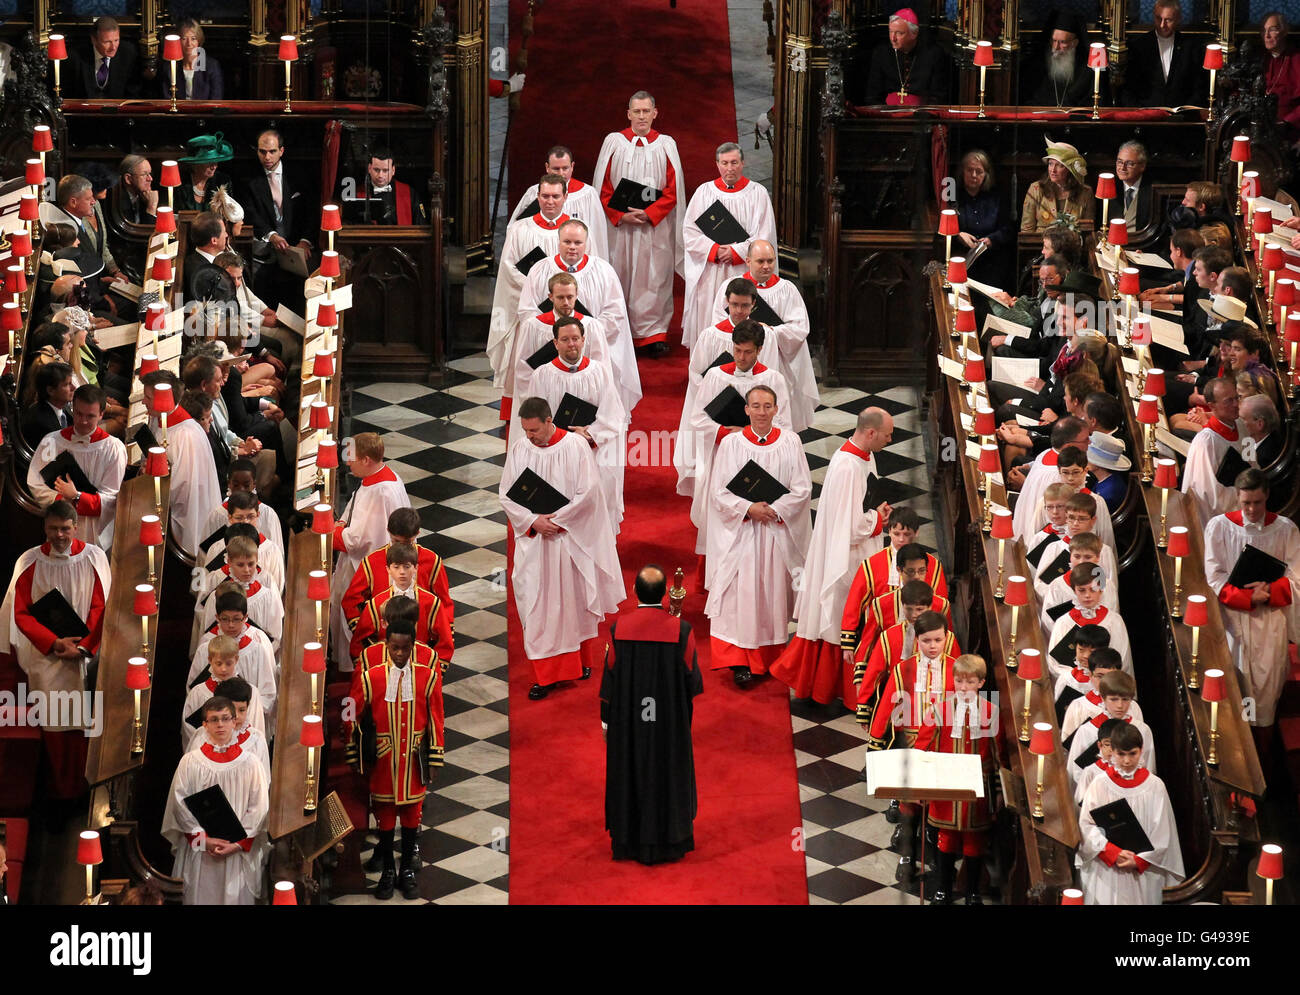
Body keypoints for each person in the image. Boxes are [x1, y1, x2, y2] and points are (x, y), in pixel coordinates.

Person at [501, 397, 624, 699]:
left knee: (572, 602)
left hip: (569, 539)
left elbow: (589, 492)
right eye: (525, 430)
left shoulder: (576, 446)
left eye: (533, 430)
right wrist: (533, 521)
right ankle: (546, 675)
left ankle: (580, 661)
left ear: (548, 421)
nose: (529, 436)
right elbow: (506, 494)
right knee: (539, 607)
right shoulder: (519, 448)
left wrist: (557, 520)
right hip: (536, 542)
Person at [770, 407, 893, 706]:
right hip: (845, 556)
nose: (890, 440)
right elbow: (850, 528)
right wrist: (877, 519)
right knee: (843, 615)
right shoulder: (847, 467)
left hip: (858, 548)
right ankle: (841, 689)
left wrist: (876, 511)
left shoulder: (865, 456)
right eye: (887, 435)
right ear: (871, 432)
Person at [0, 502, 109, 804]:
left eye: (64, 528)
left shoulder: (94, 557)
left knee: (87, 721)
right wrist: (54, 643)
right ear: (44, 528)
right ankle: (61, 792)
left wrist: (83, 646)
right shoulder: (29, 562)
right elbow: (21, 614)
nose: (59, 535)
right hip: (46, 655)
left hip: (86, 655)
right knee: (54, 724)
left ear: (75, 527)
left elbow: (101, 606)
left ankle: (86, 786)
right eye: (53, 529)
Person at [704, 385, 812, 686]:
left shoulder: (790, 442)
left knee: (770, 596)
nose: (762, 412)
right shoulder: (731, 444)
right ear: (746, 410)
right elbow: (718, 491)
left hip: (775, 532)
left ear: (776, 409)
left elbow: (803, 488)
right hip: (743, 533)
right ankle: (740, 660)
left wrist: (775, 509)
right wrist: (748, 508)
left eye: (767, 406)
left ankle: (770, 657)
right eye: (756, 406)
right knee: (740, 596)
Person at [601, 566, 703, 864]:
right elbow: (692, 682)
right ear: (664, 594)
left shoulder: (618, 630)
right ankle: (671, 840)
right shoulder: (682, 631)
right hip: (668, 725)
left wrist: (606, 722)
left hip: (629, 725)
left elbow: (609, 681)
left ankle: (628, 841)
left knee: (629, 772)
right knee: (667, 774)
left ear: (634, 591)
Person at [344, 618, 444, 900]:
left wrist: (435, 756)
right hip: (383, 761)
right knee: (385, 818)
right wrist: (355, 749)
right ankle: (388, 870)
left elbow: (436, 719)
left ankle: (407, 871)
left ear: (413, 647)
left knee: (412, 816)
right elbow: (350, 711)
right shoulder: (371, 677)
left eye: (405, 648)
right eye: (394, 648)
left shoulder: (427, 676)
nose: (399, 654)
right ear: (386, 645)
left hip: (414, 759)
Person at [1203, 469, 1300, 745]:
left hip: (1270, 624)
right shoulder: (1219, 527)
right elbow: (1214, 578)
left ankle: (1264, 753)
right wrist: (1246, 597)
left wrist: (1268, 593)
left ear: (1267, 496)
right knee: (1237, 691)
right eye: (1246, 503)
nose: (1252, 509)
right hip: (1232, 622)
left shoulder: (1286, 530)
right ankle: (1241, 750)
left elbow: (1297, 579)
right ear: (1237, 497)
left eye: (1257, 502)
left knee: (1265, 696)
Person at [686, 322, 793, 552]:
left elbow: (784, 424)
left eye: (748, 352)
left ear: (760, 349)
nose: (741, 357)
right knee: (723, 512)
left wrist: (747, 434)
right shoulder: (715, 376)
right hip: (724, 454)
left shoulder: (773, 379)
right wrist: (725, 433)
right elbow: (697, 418)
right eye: (737, 350)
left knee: (757, 517)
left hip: (762, 458)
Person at [593, 91, 686, 357]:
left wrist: (650, 213)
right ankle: (618, 332)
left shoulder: (666, 145)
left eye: (646, 111)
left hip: (654, 229)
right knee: (619, 274)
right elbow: (602, 185)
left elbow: (673, 189)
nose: (642, 116)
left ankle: (653, 335)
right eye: (637, 111)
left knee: (653, 279)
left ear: (655, 113)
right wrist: (620, 215)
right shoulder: (613, 142)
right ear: (629, 114)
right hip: (620, 229)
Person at [866, 610, 958, 878]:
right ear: (917, 640)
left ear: (947, 638)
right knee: (910, 804)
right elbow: (887, 706)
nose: (933, 646)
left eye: (938, 640)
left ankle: (935, 849)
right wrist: (875, 743)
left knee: (938, 803)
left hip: (943, 747)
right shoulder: (903, 669)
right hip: (910, 746)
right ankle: (907, 856)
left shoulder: (957, 668)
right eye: (927, 640)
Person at [515, 220, 639, 414]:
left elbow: (615, 313)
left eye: (578, 242)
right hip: (549, 347)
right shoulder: (540, 269)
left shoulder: (603, 271)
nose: (572, 247)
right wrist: (556, 336)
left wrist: (584, 334)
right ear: (558, 242)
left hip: (590, 346)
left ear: (586, 243)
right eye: (567, 242)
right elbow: (527, 310)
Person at [161, 696, 270, 905]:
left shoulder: (251, 763)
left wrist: (237, 844)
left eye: (225, 718)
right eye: (214, 719)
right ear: (205, 725)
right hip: (201, 851)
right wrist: (203, 840)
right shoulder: (190, 762)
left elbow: (259, 807)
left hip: (236, 853)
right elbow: (179, 803)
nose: (220, 724)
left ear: (234, 722)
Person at [914, 653, 999, 904]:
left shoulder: (991, 712)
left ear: (981, 683)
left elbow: (998, 756)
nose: (963, 688)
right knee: (946, 839)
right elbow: (922, 750)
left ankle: (972, 892)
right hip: (945, 787)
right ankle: (943, 889)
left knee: (974, 842)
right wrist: (921, 786)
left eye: (970, 682)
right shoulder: (939, 711)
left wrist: (998, 793)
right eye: (959, 681)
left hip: (977, 790)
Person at [529, 316, 627, 532]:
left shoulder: (599, 371)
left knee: (596, 513)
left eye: (575, 338)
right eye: (565, 339)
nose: (571, 344)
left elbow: (613, 414)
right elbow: (534, 420)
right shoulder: (541, 375)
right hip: (557, 454)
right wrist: (566, 437)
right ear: (555, 343)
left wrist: (591, 434)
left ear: (583, 340)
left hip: (593, 452)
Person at [709, 240, 818, 433]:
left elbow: (800, 327)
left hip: (778, 362)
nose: (766, 266)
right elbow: (719, 322)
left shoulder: (787, 289)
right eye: (760, 261)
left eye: (770, 261)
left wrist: (772, 331)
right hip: (740, 359)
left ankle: (776, 438)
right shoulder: (732, 287)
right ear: (748, 261)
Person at [681, 142, 777, 347]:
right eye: (724, 163)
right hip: (712, 270)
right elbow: (689, 232)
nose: (729, 168)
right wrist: (715, 250)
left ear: (743, 163)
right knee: (710, 320)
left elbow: (764, 234)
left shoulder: (757, 193)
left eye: (734, 162)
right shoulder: (704, 192)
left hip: (742, 268)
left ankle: (745, 356)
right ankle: (709, 359)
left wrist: (736, 251)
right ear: (717, 164)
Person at [329, 432, 410, 669]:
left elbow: (357, 540)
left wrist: (332, 531)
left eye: (352, 457)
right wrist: (341, 524)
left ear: (366, 460)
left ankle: (353, 668)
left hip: (368, 568)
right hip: (375, 560)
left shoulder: (380, 491)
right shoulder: (382, 477)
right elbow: (353, 512)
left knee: (352, 614)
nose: (347, 462)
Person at [1077, 723, 1182, 904]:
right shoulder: (1100, 784)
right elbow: (1086, 826)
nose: (1126, 761)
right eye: (1121, 754)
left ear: (1141, 750)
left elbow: (1164, 832)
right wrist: (1111, 852)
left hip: (1143, 870)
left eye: (1132, 753)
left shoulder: (1155, 786)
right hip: (1107, 868)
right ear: (1112, 752)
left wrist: (1140, 860)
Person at [487, 173, 572, 386]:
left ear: (565, 197)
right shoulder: (519, 228)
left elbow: (584, 267)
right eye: (545, 196)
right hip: (529, 307)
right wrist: (538, 290)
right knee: (526, 367)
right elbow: (508, 268)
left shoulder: (574, 229)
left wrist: (559, 294)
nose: (550, 201)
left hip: (565, 309)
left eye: (555, 196)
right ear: (537, 197)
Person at [26, 384, 126, 549]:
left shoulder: (113, 448)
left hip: (95, 530)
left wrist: (76, 497)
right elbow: (35, 482)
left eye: (90, 416)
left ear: (101, 414)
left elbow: (111, 498)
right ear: (72, 408)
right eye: (79, 414)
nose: (83, 421)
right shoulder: (52, 441)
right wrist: (61, 500)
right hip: (60, 525)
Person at [510, 274, 609, 422]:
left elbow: (602, 366)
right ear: (550, 297)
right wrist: (536, 404)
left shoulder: (592, 326)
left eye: (570, 297)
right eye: (560, 297)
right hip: (547, 394)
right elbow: (523, 368)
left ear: (577, 296)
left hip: (585, 396)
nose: (566, 302)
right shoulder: (533, 326)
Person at [143, 374, 222, 558]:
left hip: (188, 518)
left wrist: (150, 480)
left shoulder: (185, 435)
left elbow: (183, 487)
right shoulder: (158, 420)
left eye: (148, 397)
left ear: (164, 399)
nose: (143, 402)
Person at [243, 128, 317, 310]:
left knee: (300, 296)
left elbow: (311, 211)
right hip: (265, 252)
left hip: (296, 249)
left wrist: (305, 241)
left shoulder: (299, 175)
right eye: (262, 152)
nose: (267, 157)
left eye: (272, 151)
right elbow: (250, 212)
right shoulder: (249, 178)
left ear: (281, 151)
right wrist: (271, 235)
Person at [342, 507, 450, 629]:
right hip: (383, 634)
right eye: (396, 541)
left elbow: (444, 603)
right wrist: (363, 633)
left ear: (417, 534)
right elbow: (351, 600)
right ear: (388, 531)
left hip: (421, 633)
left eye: (407, 542)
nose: (401, 547)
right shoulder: (372, 562)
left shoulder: (432, 561)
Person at [349, 545, 454, 663]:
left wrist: (432, 668)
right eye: (396, 567)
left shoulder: (431, 602)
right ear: (388, 569)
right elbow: (359, 641)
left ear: (416, 568)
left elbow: (445, 641)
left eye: (406, 567)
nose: (402, 572)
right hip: (384, 665)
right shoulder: (377, 603)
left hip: (421, 664)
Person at [510, 145, 609, 259]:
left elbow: (598, 234)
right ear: (547, 167)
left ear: (572, 166)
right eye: (556, 169)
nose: (561, 173)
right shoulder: (534, 192)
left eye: (565, 168)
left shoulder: (588, 194)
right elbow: (516, 228)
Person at [1046, 563, 1133, 683]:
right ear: (1074, 590)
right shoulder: (1063, 622)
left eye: (1093, 589)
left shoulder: (1114, 621)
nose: (1087, 595)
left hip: (1106, 685)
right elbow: (1054, 663)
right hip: (1073, 684)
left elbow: (1122, 659)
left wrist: (1099, 678)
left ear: (1101, 590)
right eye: (1082, 590)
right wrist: (1076, 678)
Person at [1067, 671, 1154, 784]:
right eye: (1114, 699)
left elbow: (1149, 766)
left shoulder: (1142, 729)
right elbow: (1075, 771)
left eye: (1125, 699)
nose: (1120, 705)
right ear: (1103, 698)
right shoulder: (1087, 730)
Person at [196, 543, 284, 655]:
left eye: (251, 564)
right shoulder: (216, 596)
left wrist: (256, 654)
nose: (246, 570)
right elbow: (206, 624)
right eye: (240, 565)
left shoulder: (267, 596)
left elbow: (275, 634)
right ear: (229, 562)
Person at [1181, 376, 1247, 524]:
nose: (1236, 404)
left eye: (1237, 398)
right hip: (1213, 520)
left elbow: (1251, 462)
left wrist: (1255, 484)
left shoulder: (1242, 425)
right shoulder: (1206, 442)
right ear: (1212, 406)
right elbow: (1207, 494)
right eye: (1228, 401)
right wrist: (1244, 493)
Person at [180, 637, 263, 751]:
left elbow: (256, 725)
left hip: (243, 751)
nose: (223, 669)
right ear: (210, 660)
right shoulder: (198, 693)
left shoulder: (251, 692)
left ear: (236, 659)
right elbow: (189, 729)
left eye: (228, 663)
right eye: (219, 663)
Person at [187, 678, 271, 782]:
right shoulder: (202, 737)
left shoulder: (256, 740)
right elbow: (191, 774)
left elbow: (263, 780)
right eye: (232, 709)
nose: (237, 716)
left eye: (242, 710)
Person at [950, 149, 1013, 286]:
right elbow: (943, 226)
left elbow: (1008, 229)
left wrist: (991, 240)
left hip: (991, 261)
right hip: (961, 259)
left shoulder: (997, 197)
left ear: (986, 175)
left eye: (979, 171)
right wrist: (958, 234)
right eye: (969, 170)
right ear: (962, 172)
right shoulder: (953, 196)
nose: (974, 175)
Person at [1039, 532, 1119, 636]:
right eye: (1077, 556)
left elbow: (1111, 616)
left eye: (1088, 557)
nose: (1081, 562)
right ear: (1070, 556)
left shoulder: (1107, 585)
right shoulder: (1057, 584)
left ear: (1098, 557)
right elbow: (1048, 619)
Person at [863, 7, 948, 105]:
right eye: (891, 31)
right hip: (886, 112)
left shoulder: (933, 54)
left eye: (899, 33)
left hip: (920, 112)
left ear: (914, 34)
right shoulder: (881, 53)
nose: (893, 38)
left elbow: (938, 96)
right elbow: (873, 95)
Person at [200, 458, 284, 555]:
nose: (241, 489)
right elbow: (207, 555)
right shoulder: (218, 515)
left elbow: (276, 553)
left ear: (254, 484)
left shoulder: (268, 514)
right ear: (229, 484)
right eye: (236, 485)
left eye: (246, 485)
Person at [1123, 1, 1198, 108]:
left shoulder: (1189, 47)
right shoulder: (1139, 45)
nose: (1162, 25)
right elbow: (1128, 88)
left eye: (1168, 20)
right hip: (1147, 113)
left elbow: (1197, 87)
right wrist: (1140, 111)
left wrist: (1187, 110)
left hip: (1180, 114)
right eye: (1159, 18)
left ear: (1178, 19)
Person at [1061, 647, 1143, 744]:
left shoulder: (1133, 706)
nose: (1105, 681)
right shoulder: (1078, 706)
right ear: (1090, 675)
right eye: (1100, 676)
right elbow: (1067, 743)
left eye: (1111, 676)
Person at [1026, 14, 1098, 109]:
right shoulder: (1036, 65)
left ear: (1074, 43)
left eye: (1062, 42)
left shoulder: (1088, 70)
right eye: (1054, 41)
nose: (1056, 47)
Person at [342, 146, 426, 226]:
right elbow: (348, 226)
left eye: (385, 170)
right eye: (376, 170)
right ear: (369, 168)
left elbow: (420, 225)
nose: (380, 175)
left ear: (393, 170)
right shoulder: (356, 195)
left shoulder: (409, 193)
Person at [1021, 140, 1093, 233]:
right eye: (1050, 164)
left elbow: (1088, 231)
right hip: (1041, 241)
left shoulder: (1086, 192)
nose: (1053, 170)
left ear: (1069, 170)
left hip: (1073, 242)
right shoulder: (1036, 189)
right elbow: (1027, 230)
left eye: (1059, 165)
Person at [65, 16, 139, 99]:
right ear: (94, 40)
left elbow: (133, 91)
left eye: (116, 40)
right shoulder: (75, 56)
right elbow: (68, 92)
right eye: (107, 42)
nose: (113, 47)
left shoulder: (128, 53)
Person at [176, 135, 241, 222]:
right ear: (195, 163)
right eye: (209, 162)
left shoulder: (222, 181)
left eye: (216, 161)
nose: (214, 166)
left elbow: (232, 214)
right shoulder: (180, 183)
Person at [20, 361, 74, 451]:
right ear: (51, 391)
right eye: (67, 384)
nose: (73, 387)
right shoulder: (41, 424)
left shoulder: (63, 407)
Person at [1262, 12, 1300, 136]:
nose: (1266, 35)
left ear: (1284, 32)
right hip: (1262, 126)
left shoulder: (1296, 59)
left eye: (1272, 30)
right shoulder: (1261, 60)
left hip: (1290, 130)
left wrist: (1287, 121)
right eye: (1264, 31)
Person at [1074, 716, 1125, 807]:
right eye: (1107, 744)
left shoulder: (1131, 772)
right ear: (1100, 745)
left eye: (1117, 744)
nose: (1112, 749)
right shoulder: (1090, 772)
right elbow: (1080, 803)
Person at [172, 18, 222, 99]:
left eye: (193, 39)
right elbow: (166, 99)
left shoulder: (212, 66)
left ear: (199, 41)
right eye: (184, 38)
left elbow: (216, 98)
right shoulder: (171, 66)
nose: (189, 43)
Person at [1114, 142, 1154, 233]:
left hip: (1143, 240)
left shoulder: (1153, 190)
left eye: (1129, 163)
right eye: (1120, 162)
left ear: (1142, 166)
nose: (1122, 168)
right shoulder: (1110, 186)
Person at [113, 154, 157, 226]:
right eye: (144, 174)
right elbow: (140, 231)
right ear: (128, 179)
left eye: (150, 173)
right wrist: (151, 207)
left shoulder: (143, 196)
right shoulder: (119, 203)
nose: (150, 179)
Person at [1241, 394, 1283, 468]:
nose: (1237, 421)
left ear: (1259, 424)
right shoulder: (1251, 441)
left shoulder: (1265, 459)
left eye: (1242, 418)